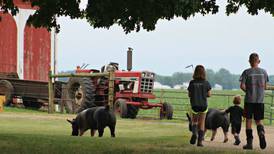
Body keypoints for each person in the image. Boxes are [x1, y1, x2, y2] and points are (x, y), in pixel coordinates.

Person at [240, 53, 268, 150]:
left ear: (249, 61)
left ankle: (249, 143)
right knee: (258, 121)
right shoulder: (264, 72)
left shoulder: (246, 72)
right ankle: (261, 132)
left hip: (249, 100)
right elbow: (265, 87)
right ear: (258, 61)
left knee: (248, 121)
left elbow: (242, 86)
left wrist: (248, 91)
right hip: (260, 101)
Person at [187, 65, 212, 147]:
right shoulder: (206, 82)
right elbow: (209, 95)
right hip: (203, 105)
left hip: (194, 105)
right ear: (204, 73)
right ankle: (200, 142)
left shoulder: (192, 82)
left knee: (194, 121)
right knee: (202, 123)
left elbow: (189, 94)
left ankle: (194, 133)